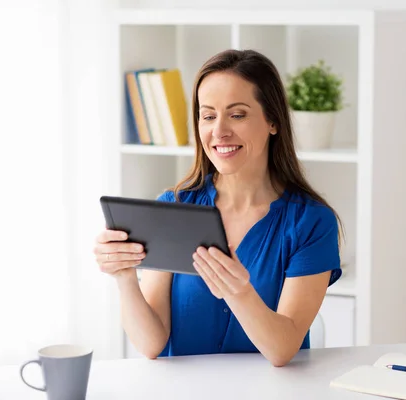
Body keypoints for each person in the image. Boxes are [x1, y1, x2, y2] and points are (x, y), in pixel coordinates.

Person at [93, 49, 343, 367]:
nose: (219, 130)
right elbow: (151, 343)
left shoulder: (311, 222)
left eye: (237, 114)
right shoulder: (173, 208)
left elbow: (282, 349)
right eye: (208, 115)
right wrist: (125, 276)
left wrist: (239, 292)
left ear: (273, 121)